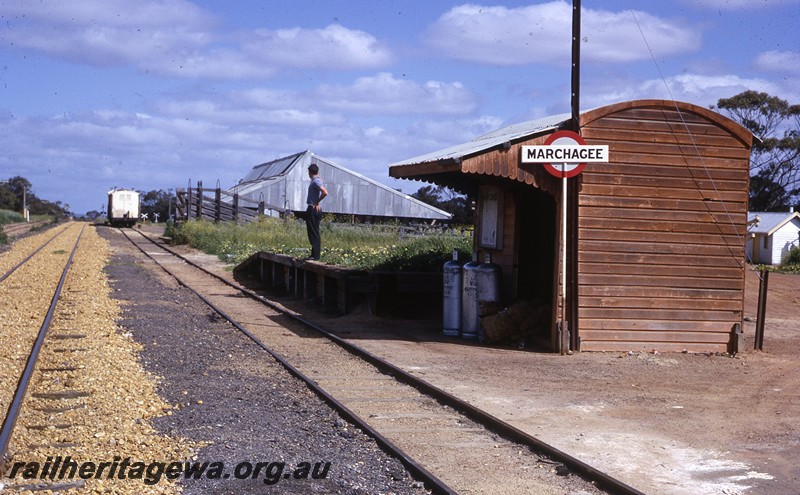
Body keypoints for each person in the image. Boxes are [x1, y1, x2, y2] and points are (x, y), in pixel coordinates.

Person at [304, 163, 328, 260]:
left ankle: (316, 256)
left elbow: (325, 192)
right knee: (313, 231)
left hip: (313, 208)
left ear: (309, 172)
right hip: (313, 208)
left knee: (313, 232)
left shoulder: (315, 182)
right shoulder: (316, 180)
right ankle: (314, 254)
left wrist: (317, 201)